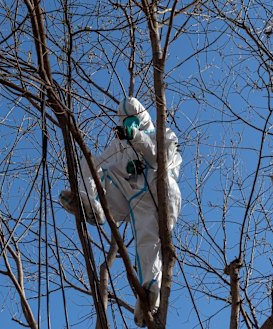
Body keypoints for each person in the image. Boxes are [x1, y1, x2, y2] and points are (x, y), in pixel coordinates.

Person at [59, 97, 182, 326]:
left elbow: (159, 159)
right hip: (134, 197)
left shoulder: (163, 133)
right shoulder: (119, 145)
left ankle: (150, 290)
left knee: (148, 240)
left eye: (134, 120)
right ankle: (92, 203)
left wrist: (136, 137)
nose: (129, 125)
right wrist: (119, 167)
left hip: (161, 192)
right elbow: (100, 163)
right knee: (92, 164)